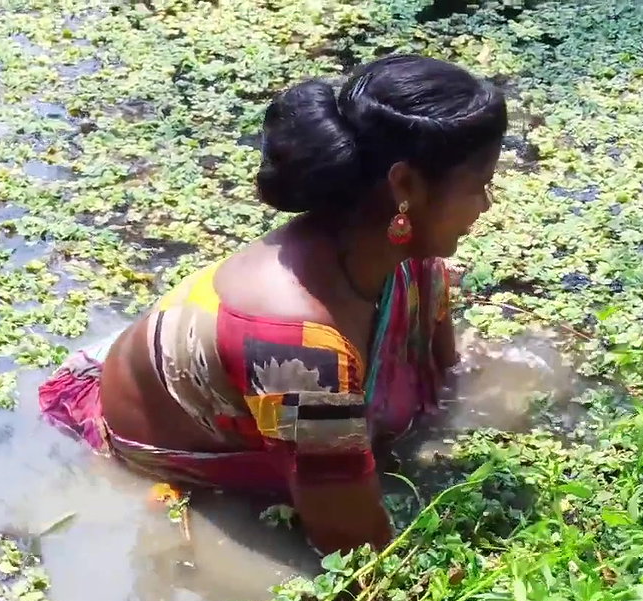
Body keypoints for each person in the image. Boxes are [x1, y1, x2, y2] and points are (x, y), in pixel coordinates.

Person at [39, 53, 506, 554]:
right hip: (156, 444)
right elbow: (351, 549)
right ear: (405, 186)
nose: (486, 204)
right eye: (480, 184)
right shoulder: (296, 349)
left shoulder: (410, 258)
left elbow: (446, 377)